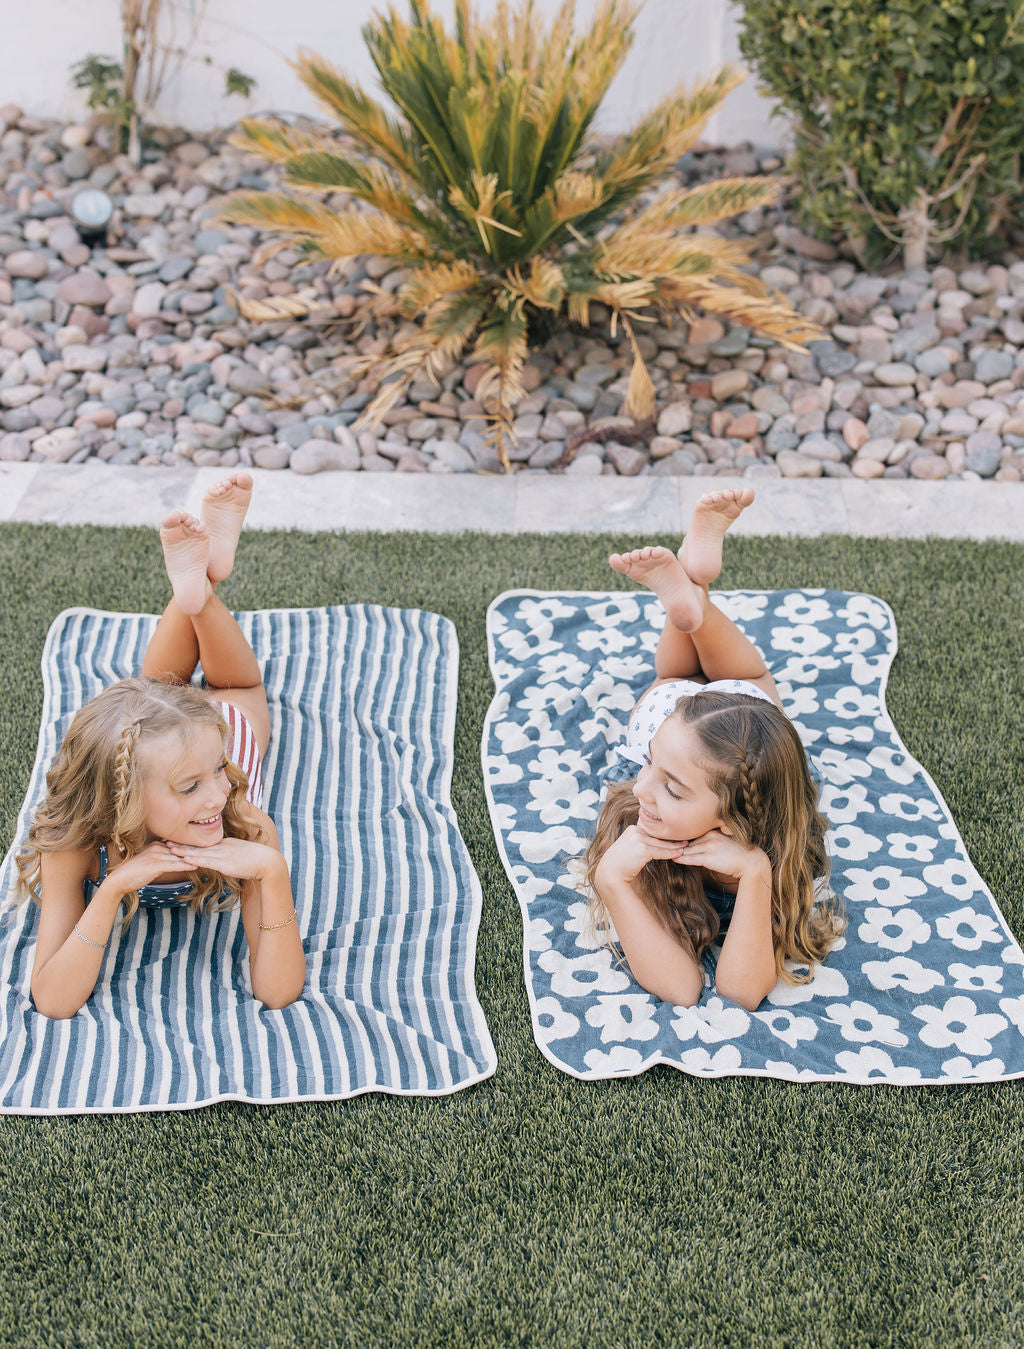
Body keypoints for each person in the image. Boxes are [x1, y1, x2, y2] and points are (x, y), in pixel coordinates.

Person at [16, 473, 305, 1019]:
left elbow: (278, 991)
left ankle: (195, 590)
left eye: (213, 774)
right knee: (175, 695)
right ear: (121, 802)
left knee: (230, 694)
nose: (217, 795)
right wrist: (109, 891)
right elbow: (51, 1001)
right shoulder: (75, 846)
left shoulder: (242, 816)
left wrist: (273, 870)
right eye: (191, 786)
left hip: (221, 730)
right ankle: (199, 584)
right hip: (159, 744)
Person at [582, 488, 844, 1012]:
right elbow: (680, 988)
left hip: (725, 746)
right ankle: (693, 597)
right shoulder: (644, 813)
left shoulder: (783, 854)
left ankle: (690, 594)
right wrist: (612, 878)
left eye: (671, 790)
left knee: (679, 675)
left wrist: (754, 873)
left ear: (735, 820)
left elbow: (739, 992)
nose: (639, 787)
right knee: (709, 680)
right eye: (650, 767)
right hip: (686, 721)